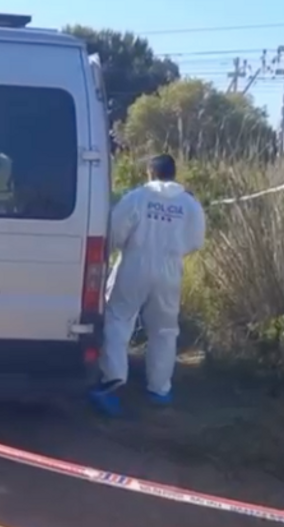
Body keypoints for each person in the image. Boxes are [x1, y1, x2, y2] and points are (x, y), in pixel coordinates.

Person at [90, 154, 206, 416]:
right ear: (173, 174)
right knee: (165, 329)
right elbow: (196, 241)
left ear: (149, 173)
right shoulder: (189, 204)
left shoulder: (137, 198)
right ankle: (160, 388)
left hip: (135, 263)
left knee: (119, 318)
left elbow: (116, 232)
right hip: (170, 269)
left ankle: (114, 379)